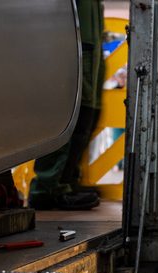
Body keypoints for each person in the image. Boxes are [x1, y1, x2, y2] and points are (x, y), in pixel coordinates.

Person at [29, 0, 105, 210]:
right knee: (70, 111)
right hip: (71, 42)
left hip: (89, 41)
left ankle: (67, 181)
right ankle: (48, 187)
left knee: (89, 112)